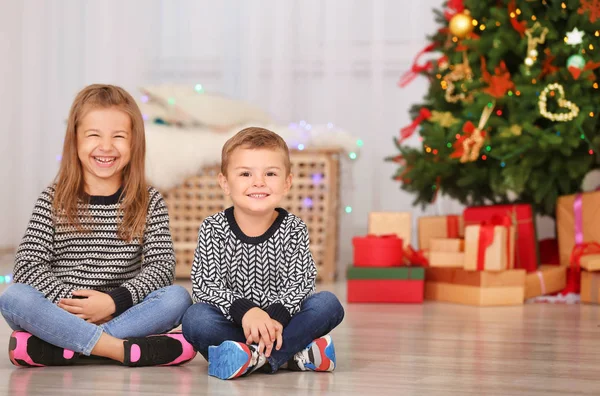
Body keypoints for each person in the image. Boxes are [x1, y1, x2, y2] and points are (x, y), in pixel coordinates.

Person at [0, 84, 196, 367]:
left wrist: (112, 302)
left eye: (118, 136)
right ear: (75, 141)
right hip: (62, 312)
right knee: (15, 297)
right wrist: (77, 306)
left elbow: (162, 269)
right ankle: (116, 348)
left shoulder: (148, 200)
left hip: (122, 312)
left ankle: (62, 346)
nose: (106, 147)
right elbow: (28, 266)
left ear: (134, 142)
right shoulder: (53, 199)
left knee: (177, 298)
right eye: (94, 135)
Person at [182, 127, 344, 380]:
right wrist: (246, 311)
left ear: (287, 182)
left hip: (283, 322)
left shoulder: (294, 228)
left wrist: (277, 316)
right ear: (225, 183)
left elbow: (301, 282)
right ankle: (292, 355)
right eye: (246, 173)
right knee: (195, 319)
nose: (259, 182)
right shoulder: (213, 228)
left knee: (328, 304)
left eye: (270, 173)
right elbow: (205, 285)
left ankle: (253, 358)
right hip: (235, 323)